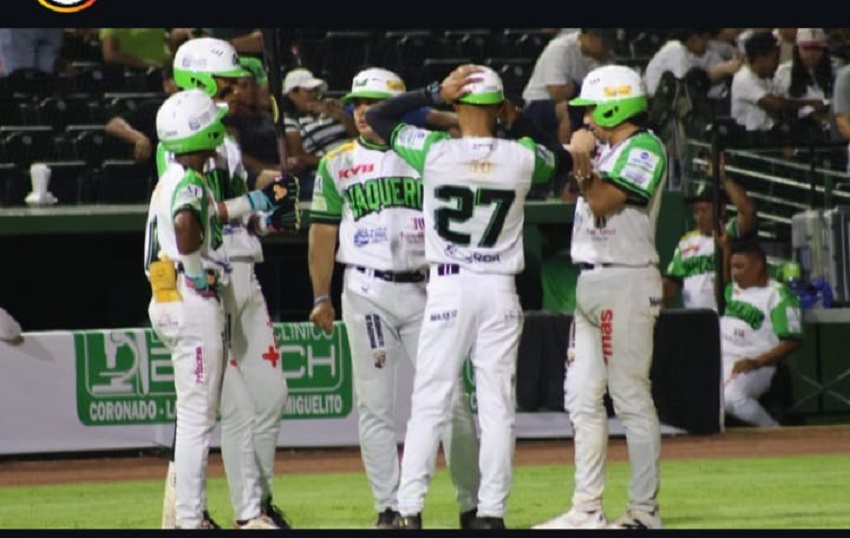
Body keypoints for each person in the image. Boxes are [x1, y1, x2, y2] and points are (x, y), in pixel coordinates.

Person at [365, 64, 574, 529]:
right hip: (499, 288)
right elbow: (558, 155)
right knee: (497, 406)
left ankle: (408, 510)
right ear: (499, 108)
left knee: (430, 401)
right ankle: (491, 514)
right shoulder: (521, 157)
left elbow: (379, 119)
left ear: (457, 105)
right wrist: (514, 117)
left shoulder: (436, 151)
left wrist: (430, 92)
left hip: (450, 286)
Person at [307, 66, 480, 530]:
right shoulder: (337, 162)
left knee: (453, 401)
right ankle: (390, 508)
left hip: (427, 287)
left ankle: (472, 505)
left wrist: (434, 116)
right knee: (375, 405)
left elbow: (471, 132)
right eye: (357, 104)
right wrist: (321, 294)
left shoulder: (429, 152)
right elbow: (323, 233)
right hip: (366, 289)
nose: (362, 112)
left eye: (372, 103)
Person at [160, 36, 300, 529]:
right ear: (199, 80)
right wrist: (255, 205)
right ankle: (186, 513)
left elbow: (236, 210)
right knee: (204, 408)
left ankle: (252, 503)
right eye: (227, 81)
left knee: (266, 396)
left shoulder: (228, 141)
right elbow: (201, 214)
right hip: (207, 283)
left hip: (240, 271)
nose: (238, 90)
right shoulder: (181, 138)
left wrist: (272, 205)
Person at [533, 64, 667, 530]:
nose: (586, 117)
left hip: (626, 280)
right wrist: (584, 161)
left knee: (630, 397)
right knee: (582, 399)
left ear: (615, 101)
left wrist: (584, 161)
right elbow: (579, 189)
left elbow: (606, 200)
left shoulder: (645, 147)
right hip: (591, 280)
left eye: (590, 107)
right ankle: (586, 508)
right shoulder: (609, 151)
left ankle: (644, 513)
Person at [720, 239, 803, 427]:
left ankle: (773, 431)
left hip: (755, 364)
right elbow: (726, 281)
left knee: (730, 398)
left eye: (740, 267)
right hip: (723, 360)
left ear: (758, 265)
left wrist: (757, 362)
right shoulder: (733, 290)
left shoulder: (778, 295)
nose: (734, 273)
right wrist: (726, 249)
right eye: (732, 267)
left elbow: (792, 341)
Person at [663, 153, 757, 310]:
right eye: (696, 211)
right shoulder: (686, 242)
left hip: (726, 317)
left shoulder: (729, 232)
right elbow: (672, 283)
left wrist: (722, 178)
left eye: (704, 210)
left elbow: (748, 211)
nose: (699, 216)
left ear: (721, 209)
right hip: (694, 320)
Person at [520, 28, 616, 145]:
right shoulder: (561, 48)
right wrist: (581, 90)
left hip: (578, 102)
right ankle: (565, 155)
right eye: (606, 44)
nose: (608, 50)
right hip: (539, 104)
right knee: (564, 107)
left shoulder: (604, 58)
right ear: (592, 36)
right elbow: (556, 92)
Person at [105, 63, 179, 178]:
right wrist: (138, 138)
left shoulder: (204, 110)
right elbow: (113, 125)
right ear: (167, 85)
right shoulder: (154, 109)